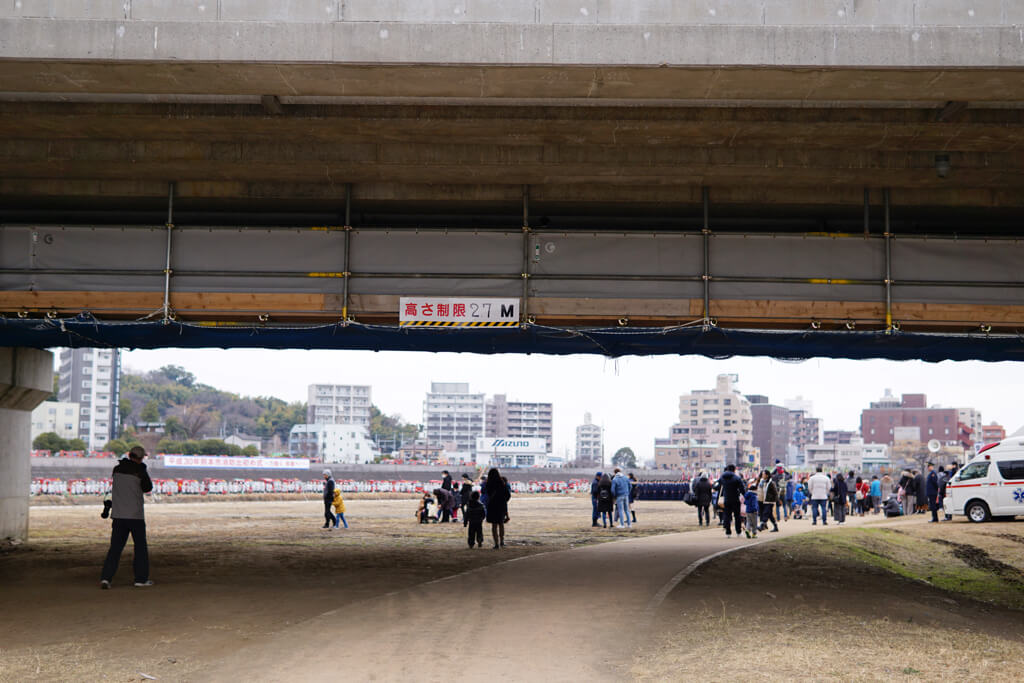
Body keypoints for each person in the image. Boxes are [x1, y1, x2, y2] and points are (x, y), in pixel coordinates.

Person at [100, 446, 154, 589]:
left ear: (129, 455)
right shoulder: (140, 471)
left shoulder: (117, 469)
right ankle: (140, 579)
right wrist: (143, 468)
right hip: (135, 515)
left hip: (118, 515)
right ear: (141, 458)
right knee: (140, 548)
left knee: (115, 549)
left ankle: (106, 578)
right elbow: (148, 487)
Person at [716, 465, 746, 537]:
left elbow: (717, 486)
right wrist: (744, 495)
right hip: (735, 499)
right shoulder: (737, 478)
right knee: (737, 516)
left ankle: (728, 532)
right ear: (734, 470)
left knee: (727, 515)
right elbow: (742, 489)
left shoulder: (722, 477)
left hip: (726, 499)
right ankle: (738, 532)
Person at [484, 468, 510, 549]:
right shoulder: (501, 482)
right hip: (501, 505)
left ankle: (496, 544)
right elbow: (508, 494)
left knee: (494, 525)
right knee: (501, 524)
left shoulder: (488, 483)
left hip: (492, 505)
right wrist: (504, 501)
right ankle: (502, 541)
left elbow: (487, 494)